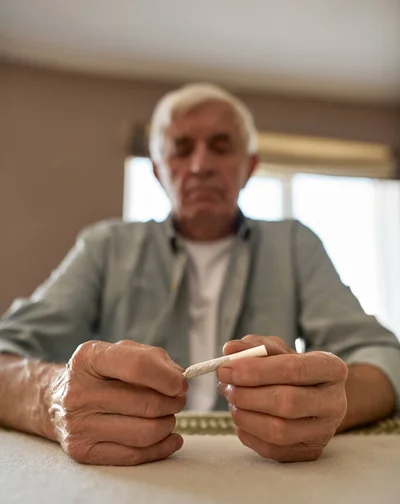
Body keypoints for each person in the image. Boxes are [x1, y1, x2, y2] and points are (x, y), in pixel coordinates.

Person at [0, 83, 399, 466]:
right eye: (181, 149)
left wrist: (331, 402)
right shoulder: (105, 246)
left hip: (262, 474)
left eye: (221, 148)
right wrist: (51, 396)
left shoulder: (294, 244)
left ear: (249, 167)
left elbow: (384, 359)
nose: (201, 165)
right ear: (158, 170)